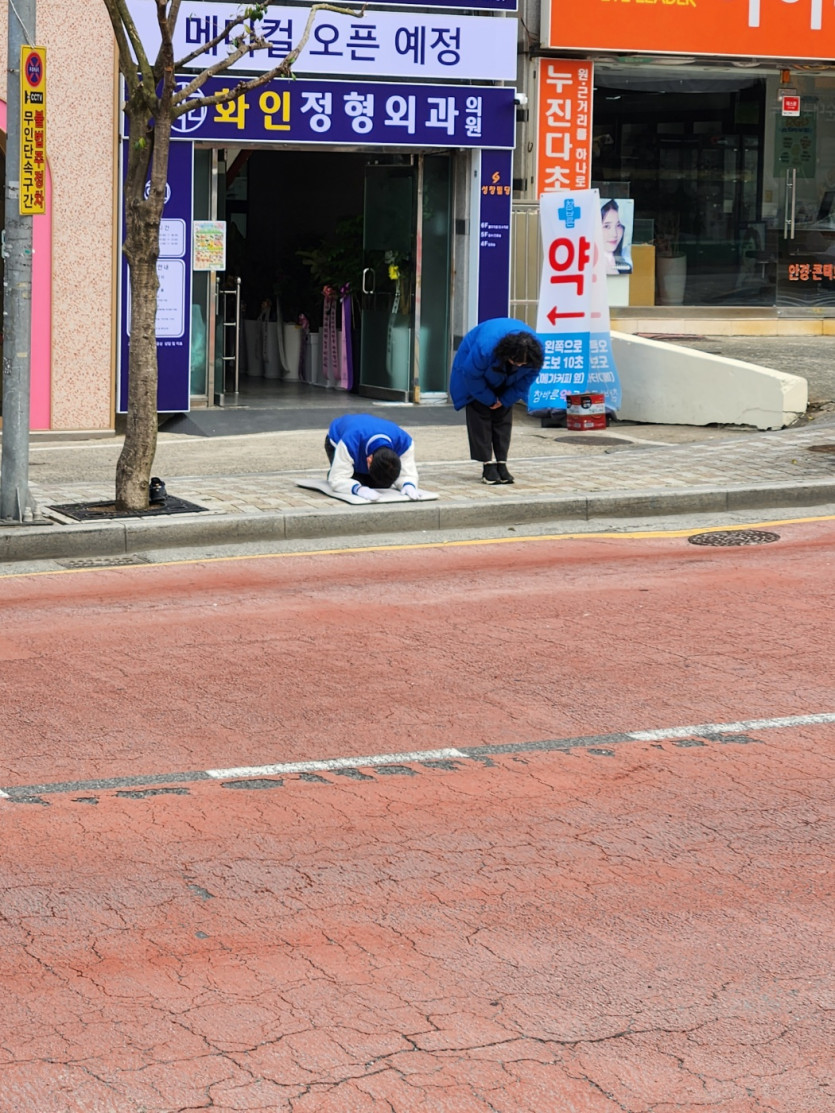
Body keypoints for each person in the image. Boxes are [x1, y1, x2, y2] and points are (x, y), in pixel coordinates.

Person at [449, 317, 544, 485]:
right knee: (480, 414)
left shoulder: (536, 354)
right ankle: (487, 464)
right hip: (475, 374)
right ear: (507, 354)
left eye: (524, 363)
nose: (520, 365)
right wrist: (490, 399)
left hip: (506, 378)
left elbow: (525, 382)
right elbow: (471, 375)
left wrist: (504, 400)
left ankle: (502, 463)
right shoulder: (485, 348)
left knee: (503, 416)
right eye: (516, 362)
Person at [324, 413, 428, 501]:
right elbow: (337, 478)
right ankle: (337, 471)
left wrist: (408, 484)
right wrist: (358, 489)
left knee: (381, 484)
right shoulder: (350, 443)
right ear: (368, 460)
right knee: (358, 480)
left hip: (368, 430)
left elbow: (407, 472)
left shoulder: (404, 443)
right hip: (335, 441)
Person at [601, 199, 632, 275]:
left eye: (618, 225)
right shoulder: (587, 267)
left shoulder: (625, 267)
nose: (614, 234)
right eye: (607, 226)